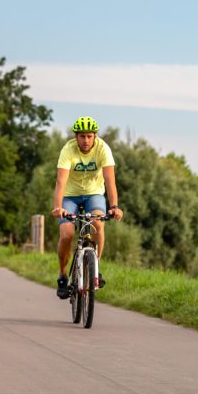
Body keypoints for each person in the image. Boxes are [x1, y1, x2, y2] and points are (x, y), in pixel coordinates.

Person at [51, 116, 124, 298]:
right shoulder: (68, 150)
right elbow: (60, 181)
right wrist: (58, 206)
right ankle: (62, 275)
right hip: (70, 196)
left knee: (98, 223)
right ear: (76, 137)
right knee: (67, 233)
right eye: (82, 136)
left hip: (94, 194)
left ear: (95, 136)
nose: (86, 141)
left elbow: (110, 180)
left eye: (89, 136)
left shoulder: (103, 149)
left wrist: (114, 206)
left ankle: (95, 267)